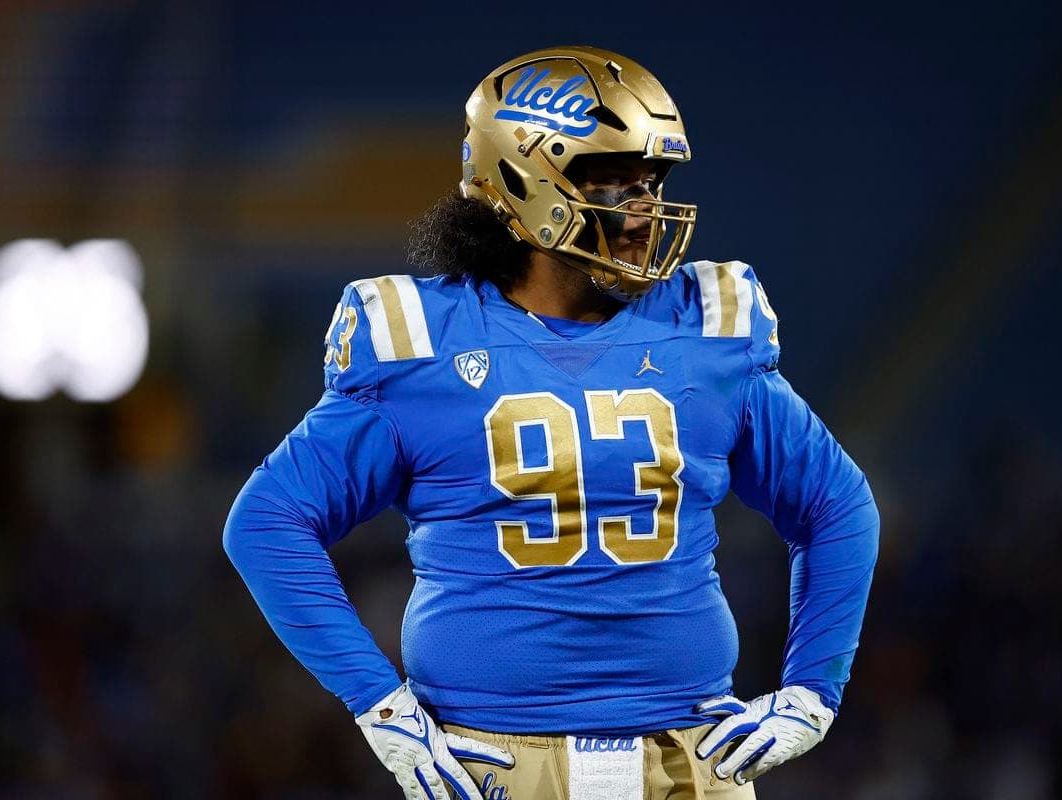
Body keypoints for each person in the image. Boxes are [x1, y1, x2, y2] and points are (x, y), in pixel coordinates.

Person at [224, 45, 880, 800]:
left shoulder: (707, 329)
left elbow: (837, 504)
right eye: (613, 181)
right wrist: (377, 701)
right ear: (521, 182)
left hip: (690, 760)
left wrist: (813, 690)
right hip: (496, 762)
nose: (644, 208)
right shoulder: (421, 342)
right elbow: (266, 523)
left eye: (651, 182)